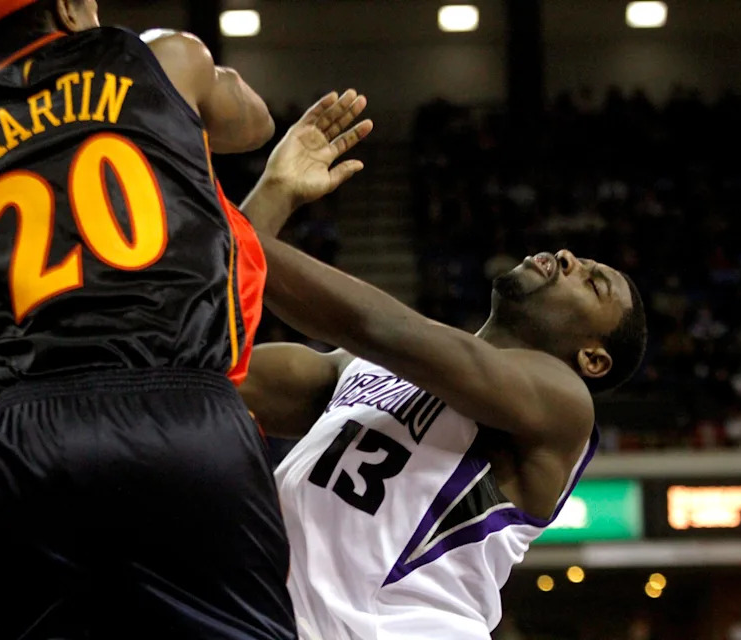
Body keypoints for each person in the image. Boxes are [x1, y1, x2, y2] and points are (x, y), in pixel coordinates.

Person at [0, 0, 372, 637]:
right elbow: (251, 125)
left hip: (28, 438)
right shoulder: (165, 57)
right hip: (185, 423)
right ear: (68, 7)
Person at [238, 177, 647, 638]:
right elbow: (210, 371)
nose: (569, 257)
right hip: (274, 620)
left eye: (592, 283)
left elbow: (373, 324)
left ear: (593, 359)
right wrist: (276, 189)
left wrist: (225, 225)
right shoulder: (366, 366)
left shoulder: (564, 403)